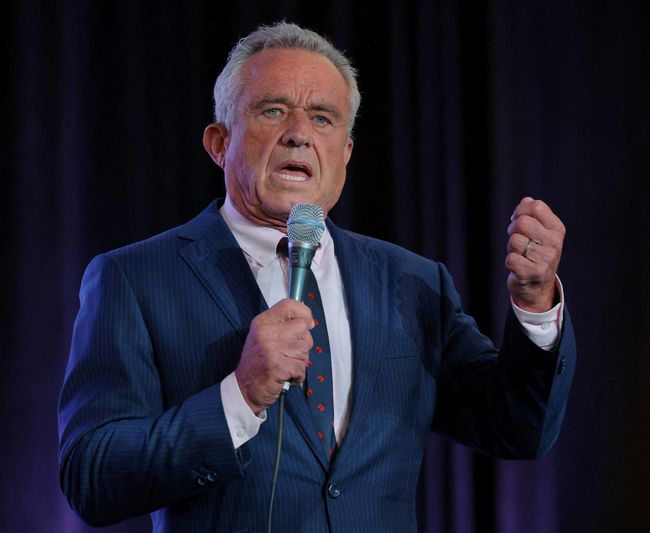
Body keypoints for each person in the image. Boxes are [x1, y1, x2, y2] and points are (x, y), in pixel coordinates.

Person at [58, 22, 576, 532]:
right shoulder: (135, 278)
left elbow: (518, 430)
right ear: (219, 142)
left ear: (345, 156)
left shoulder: (412, 282)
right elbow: (92, 476)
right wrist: (238, 395)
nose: (300, 134)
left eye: (323, 118)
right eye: (273, 110)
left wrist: (534, 306)